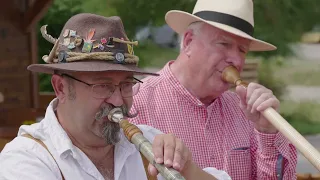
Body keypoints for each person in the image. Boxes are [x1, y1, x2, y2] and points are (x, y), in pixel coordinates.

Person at [0, 13, 231, 180]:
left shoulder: (149, 143)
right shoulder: (27, 159)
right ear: (61, 88)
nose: (119, 101)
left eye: (126, 85)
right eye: (102, 86)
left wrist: (188, 169)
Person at [129, 0, 297, 179]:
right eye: (224, 44)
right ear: (188, 41)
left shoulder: (247, 112)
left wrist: (267, 130)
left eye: (242, 50)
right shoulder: (136, 104)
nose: (236, 60)